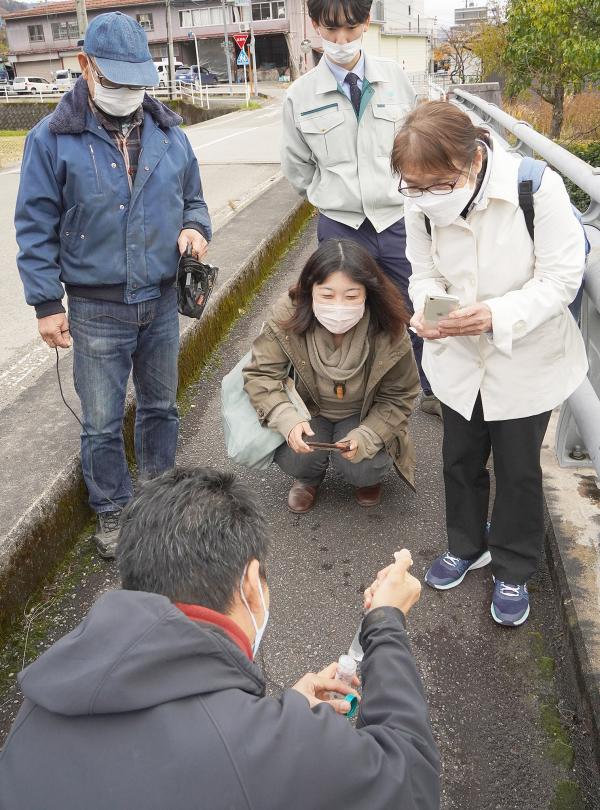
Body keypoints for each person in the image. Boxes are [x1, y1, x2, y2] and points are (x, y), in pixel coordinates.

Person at [0, 467, 440, 810]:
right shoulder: (257, 754)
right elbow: (411, 781)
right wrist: (385, 621)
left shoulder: (44, 699)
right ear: (251, 583)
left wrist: (274, 714)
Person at [14, 12, 211, 559]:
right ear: (85, 66)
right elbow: (34, 224)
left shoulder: (170, 134)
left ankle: (158, 500)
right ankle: (112, 508)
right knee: (101, 419)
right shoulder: (51, 139)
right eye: (116, 80)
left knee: (161, 407)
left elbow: (194, 199)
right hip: (96, 307)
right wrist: (46, 302)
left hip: (163, 299)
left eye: (136, 82)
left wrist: (195, 228)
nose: (128, 92)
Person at [391, 101, 588, 627]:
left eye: (437, 184)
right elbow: (424, 272)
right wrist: (429, 313)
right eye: (413, 186)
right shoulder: (421, 201)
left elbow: (562, 277)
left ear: (472, 162)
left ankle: (514, 566)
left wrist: (495, 316)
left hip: (525, 356)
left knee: (518, 470)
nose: (425, 196)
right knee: (459, 458)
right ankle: (465, 543)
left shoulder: (533, 186)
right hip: (457, 354)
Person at [280, 0, 440, 417]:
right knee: (341, 311)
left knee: (411, 303)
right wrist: (329, 194)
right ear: (315, 26)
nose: (341, 41)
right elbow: (297, 168)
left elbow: (417, 145)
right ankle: (348, 399)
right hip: (340, 225)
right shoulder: (300, 96)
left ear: (366, 22)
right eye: (331, 31)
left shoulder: (396, 80)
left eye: (351, 29)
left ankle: (428, 388)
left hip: (397, 218)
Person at [243, 239, 420, 513]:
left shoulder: (389, 325)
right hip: (308, 409)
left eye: (351, 296)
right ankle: (308, 478)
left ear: (368, 293)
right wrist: (287, 419)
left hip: (363, 412)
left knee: (363, 466)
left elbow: (400, 396)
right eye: (327, 295)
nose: (339, 306)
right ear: (309, 290)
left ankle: (366, 479)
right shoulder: (287, 314)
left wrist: (368, 434)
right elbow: (261, 375)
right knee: (298, 458)